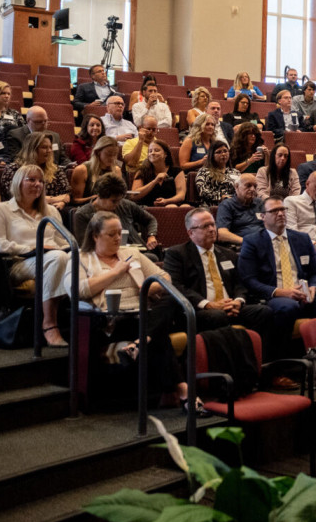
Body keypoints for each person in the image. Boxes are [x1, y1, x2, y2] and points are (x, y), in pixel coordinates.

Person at [75, 210, 197, 411]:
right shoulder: (81, 258)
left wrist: (152, 287)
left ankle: (140, 342)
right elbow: (80, 290)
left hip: (142, 315)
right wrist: (116, 271)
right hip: (110, 321)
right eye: (111, 234)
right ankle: (181, 391)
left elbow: (165, 277)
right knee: (158, 336)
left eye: (119, 233)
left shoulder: (130, 254)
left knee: (172, 299)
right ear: (95, 236)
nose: (117, 238)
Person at [237, 195, 316, 352]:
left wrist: (314, 288)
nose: (281, 214)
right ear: (262, 216)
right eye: (275, 211)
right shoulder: (252, 241)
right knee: (288, 307)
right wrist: (280, 292)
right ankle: (286, 361)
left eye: (283, 209)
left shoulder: (302, 238)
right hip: (275, 297)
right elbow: (249, 280)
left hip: (305, 296)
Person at [162, 208, 273, 342]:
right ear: (191, 233)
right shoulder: (177, 254)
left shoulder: (228, 254)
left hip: (230, 306)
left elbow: (240, 283)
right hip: (199, 310)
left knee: (263, 312)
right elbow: (176, 286)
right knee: (217, 316)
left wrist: (238, 301)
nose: (211, 229)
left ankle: (258, 359)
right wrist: (208, 304)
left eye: (213, 224)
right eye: (205, 226)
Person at [0, 164, 70, 346]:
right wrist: (32, 248)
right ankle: (49, 324)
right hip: (18, 263)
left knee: (75, 259)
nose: (37, 184)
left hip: (53, 259)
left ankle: (98, 324)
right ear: (18, 183)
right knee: (58, 258)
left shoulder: (51, 211)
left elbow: (64, 241)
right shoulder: (1, 209)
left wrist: (66, 249)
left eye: (41, 181)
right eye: (31, 180)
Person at [71, 174, 161, 256]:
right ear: (100, 196)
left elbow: (150, 219)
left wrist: (151, 236)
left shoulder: (125, 204)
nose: (118, 204)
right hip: (105, 255)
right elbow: (85, 246)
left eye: (120, 200)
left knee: (152, 257)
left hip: (137, 252)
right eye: (114, 201)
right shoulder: (83, 215)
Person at [0, 131, 71, 209]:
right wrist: (54, 199)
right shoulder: (14, 169)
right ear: (32, 149)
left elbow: (66, 195)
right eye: (44, 147)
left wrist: (61, 203)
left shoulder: (55, 169)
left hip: (54, 208)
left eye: (50, 147)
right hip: (22, 210)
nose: (49, 151)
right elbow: (21, 197)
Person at [69, 136, 126, 205]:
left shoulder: (116, 170)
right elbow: (75, 200)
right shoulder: (82, 170)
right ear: (98, 152)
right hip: (90, 208)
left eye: (115, 155)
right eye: (108, 154)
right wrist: (93, 199)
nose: (112, 158)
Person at [130, 141, 187, 207]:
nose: (152, 153)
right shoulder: (142, 171)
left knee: (184, 206)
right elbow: (134, 196)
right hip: (147, 206)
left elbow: (181, 195)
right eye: (150, 151)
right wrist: (154, 182)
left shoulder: (177, 171)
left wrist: (166, 201)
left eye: (156, 150)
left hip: (171, 203)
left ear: (165, 154)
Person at [216, 174, 265, 246]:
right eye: (248, 185)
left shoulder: (260, 203)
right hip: (244, 245)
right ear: (236, 187)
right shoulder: (227, 205)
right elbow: (222, 233)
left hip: (264, 242)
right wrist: (246, 242)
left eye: (255, 186)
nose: (252, 189)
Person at [195, 140, 238, 205]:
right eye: (219, 152)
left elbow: (241, 188)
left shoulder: (235, 172)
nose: (223, 154)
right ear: (212, 155)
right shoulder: (204, 171)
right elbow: (202, 191)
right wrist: (220, 197)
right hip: (213, 205)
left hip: (234, 204)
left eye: (225, 151)